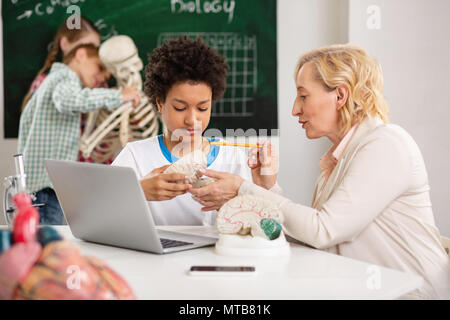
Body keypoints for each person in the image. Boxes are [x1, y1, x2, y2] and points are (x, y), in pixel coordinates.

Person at [189, 44, 450, 299]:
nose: (294, 109)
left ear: (340, 96)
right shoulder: (338, 158)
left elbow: (322, 230)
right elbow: (314, 241)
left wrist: (243, 189)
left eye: (303, 96)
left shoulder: (387, 144)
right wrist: (267, 188)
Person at [112, 36, 254, 226]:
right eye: (180, 108)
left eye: (203, 108)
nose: (192, 120)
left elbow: (258, 224)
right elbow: (97, 213)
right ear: (160, 103)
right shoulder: (135, 156)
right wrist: (138, 191)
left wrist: (238, 203)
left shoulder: (233, 158)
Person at [18, 44, 141, 225]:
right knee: (48, 244)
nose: (100, 78)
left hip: (43, 187)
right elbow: (67, 101)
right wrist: (118, 96)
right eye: (99, 68)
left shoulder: (55, 81)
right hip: (45, 188)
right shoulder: (65, 78)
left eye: (105, 78)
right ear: (80, 55)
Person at [21, 16, 105, 111]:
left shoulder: (98, 83)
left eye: (96, 49)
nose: (92, 53)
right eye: (87, 47)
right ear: (64, 44)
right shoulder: (46, 83)